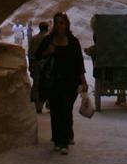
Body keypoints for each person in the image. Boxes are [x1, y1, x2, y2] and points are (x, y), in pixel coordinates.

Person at [35, 12, 88, 153]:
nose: (59, 25)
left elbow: (79, 63)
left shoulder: (73, 42)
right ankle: (57, 140)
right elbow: (37, 55)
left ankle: (64, 142)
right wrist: (48, 52)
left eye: (62, 23)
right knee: (55, 111)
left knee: (66, 110)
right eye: (57, 22)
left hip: (70, 82)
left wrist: (83, 81)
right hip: (53, 81)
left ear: (66, 24)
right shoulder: (48, 40)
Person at [28, 21, 50, 113]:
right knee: (49, 83)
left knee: (37, 84)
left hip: (37, 64)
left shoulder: (34, 38)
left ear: (39, 28)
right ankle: (49, 103)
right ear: (47, 28)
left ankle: (38, 105)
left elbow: (30, 53)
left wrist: (30, 65)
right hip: (48, 65)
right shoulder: (50, 38)